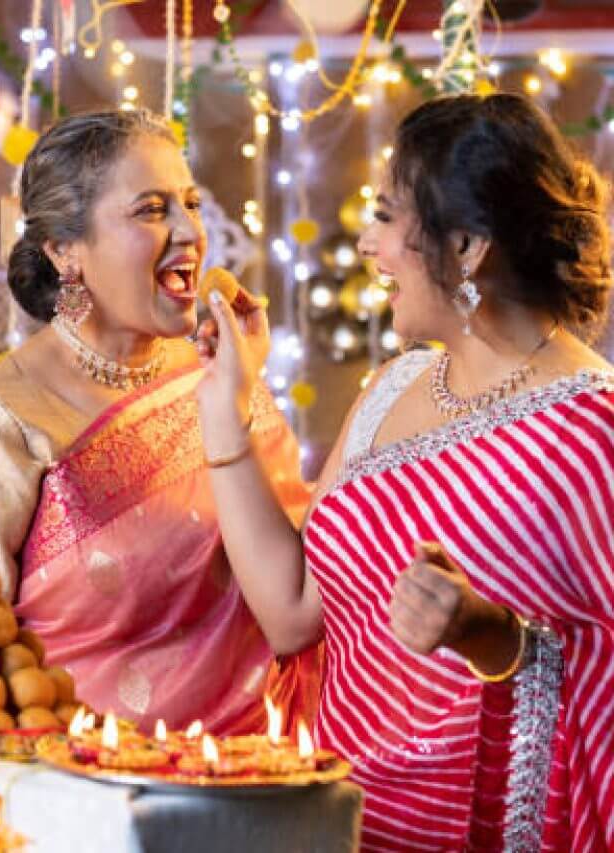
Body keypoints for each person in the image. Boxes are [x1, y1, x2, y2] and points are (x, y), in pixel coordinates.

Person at [195, 93, 614, 851]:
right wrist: (226, 401)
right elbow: (292, 610)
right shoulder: (392, 387)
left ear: (466, 244)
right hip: (343, 824)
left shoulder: (593, 433)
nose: (366, 244)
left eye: (387, 218)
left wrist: (489, 633)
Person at [0, 109, 319, 735]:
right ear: (65, 252)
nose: (190, 230)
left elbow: (301, 593)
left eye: (189, 203)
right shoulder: (6, 414)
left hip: (260, 780)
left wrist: (235, 404)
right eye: (152, 210)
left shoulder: (220, 374)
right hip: (88, 800)